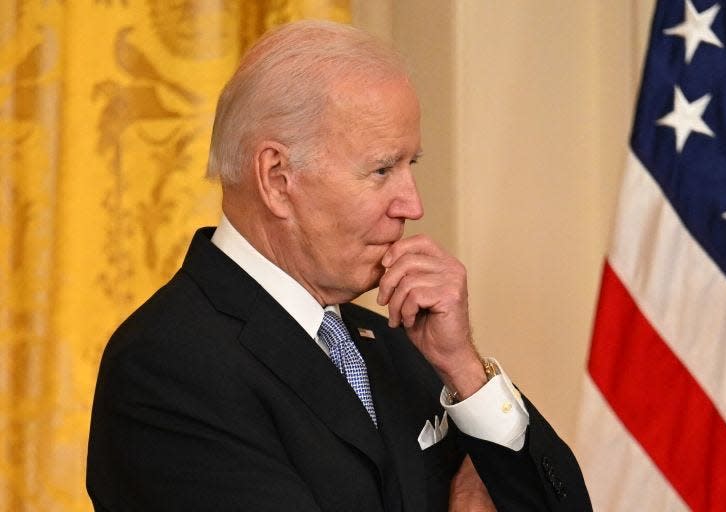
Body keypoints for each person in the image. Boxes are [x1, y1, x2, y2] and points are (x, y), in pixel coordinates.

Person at [86, 20, 591, 511]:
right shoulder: (166, 365)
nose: (411, 206)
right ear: (278, 178)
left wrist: (463, 369)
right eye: (381, 169)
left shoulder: (398, 339)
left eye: (409, 165)